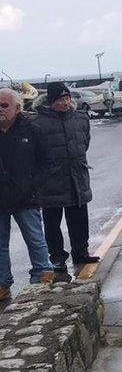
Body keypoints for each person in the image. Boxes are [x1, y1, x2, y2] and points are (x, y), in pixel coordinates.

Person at [33, 82, 99, 276]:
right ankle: (58, 259)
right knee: (52, 224)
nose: (66, 102)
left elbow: (84, 143)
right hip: (51, 181)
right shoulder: (37, 123)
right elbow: (34, 154)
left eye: (67, 98)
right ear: (51, 101)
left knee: (79, 219)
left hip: (77, 177)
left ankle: (81, 252)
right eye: (61, 99)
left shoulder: (80, 119)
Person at [0, 88, 55, 298]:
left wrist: (32, 185)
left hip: (26, 196)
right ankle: (2, 282)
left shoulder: (33, 130)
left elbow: (47, 163)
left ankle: (42, 274)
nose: (0, 109)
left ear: (17, 107)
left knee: (35, 238)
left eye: (4, 105)